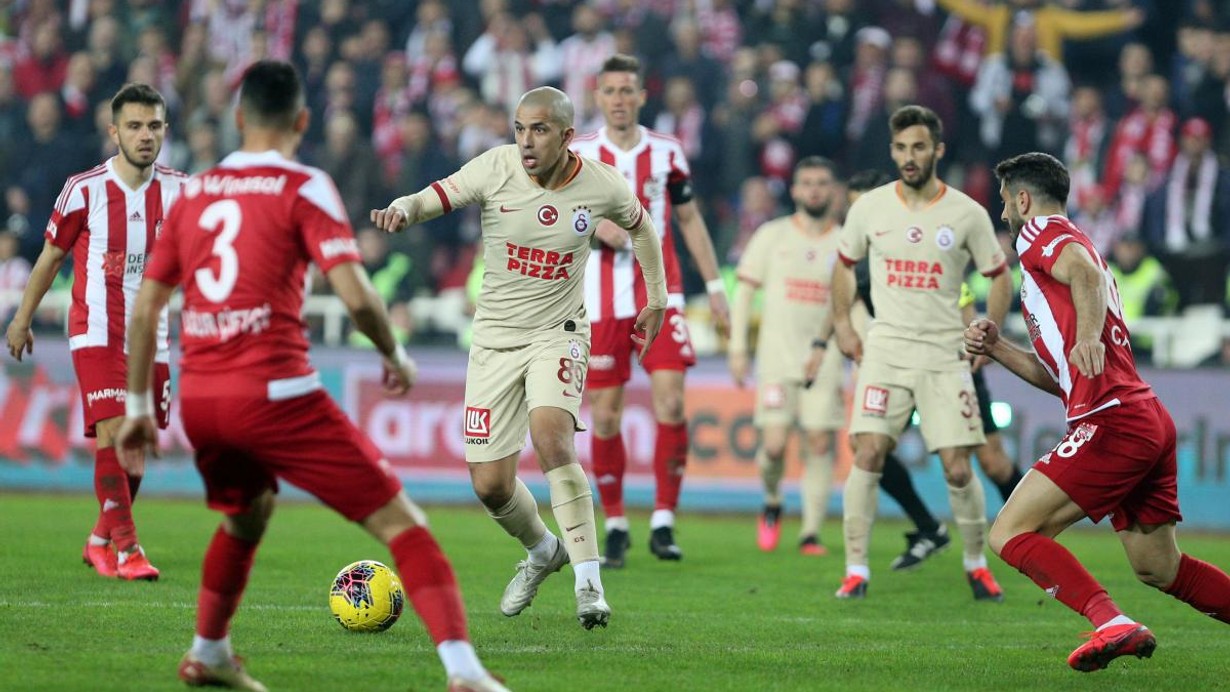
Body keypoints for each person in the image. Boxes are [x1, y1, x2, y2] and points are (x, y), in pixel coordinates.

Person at [115, 61, 506, 692]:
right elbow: (355, 296)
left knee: (248, 513)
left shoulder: (192, 191)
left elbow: (146, 308)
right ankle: (464, 672)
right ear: (302, 120)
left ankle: (208, 652)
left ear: (238, 119)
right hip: (275, 394)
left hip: (204, 399)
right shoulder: (304, 185)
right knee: (405, 526)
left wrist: (138, 404)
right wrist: (394, 354)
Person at [371, 85, 667, 629]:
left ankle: (589, 586)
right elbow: (435, 196)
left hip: (560, 332)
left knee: (552, 435)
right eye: (520, 129)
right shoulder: (495, 167)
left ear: (566, 135)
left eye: (539, 130)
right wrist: (401, 210)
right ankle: (541, 550)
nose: (526, 141)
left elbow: (642, 228)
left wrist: (657, 299)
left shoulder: (600, 184)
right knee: (490, 484)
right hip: (493, 341)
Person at [966, 151, 1230, 672]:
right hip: (1143, 415)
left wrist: (1087, 335)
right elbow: (1062, 375)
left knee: (1010, 533)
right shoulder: (1073, 248)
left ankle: (1110, 622)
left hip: (1111, 420)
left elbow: (1083, 275)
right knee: (1159, 566)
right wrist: (999, 348)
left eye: (1003, 203)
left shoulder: (1042, 235)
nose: (1002, 215)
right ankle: (1115, 620)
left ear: (1022, 199)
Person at [830, 105, 1013, 600]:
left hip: (943, 354)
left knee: (958, 465)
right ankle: (856, 570)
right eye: (900, 149)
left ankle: (976, 564)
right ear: (892, 151)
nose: (909, 158)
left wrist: (988, 332)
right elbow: (844, 267)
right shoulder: (869, 208)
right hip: (885, 351)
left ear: (937, 150)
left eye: (918, 147)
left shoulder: (967, 213)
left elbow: (999, 275)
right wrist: (844, 324)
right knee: (867, 452)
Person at [5, 83, 185, 582]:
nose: (145, 135)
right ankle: (129, 552)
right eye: (134, 126)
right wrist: (21, 318)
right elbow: (50, 258)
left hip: (154, 337)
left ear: (165, 130)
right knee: (115, 433)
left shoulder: (183, 190)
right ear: (114, 132)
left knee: (136, 461)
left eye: (153, 126)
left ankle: (99, 539)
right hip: (96, 329)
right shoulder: (83, 189)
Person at [569, 53, 730, 568]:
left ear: (642, 96)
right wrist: (596, 228)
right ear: (598, 97)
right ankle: (615, 523)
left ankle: (663, 520)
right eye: (610, 91)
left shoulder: (667, 152)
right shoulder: (579, 153)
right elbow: (556, 217)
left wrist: (716, 286)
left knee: (672, 405)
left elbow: (689, 221)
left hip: (661, 293)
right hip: (597, 298)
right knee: (607, 415)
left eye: (627, 90)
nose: (619, 99)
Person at [728, 156, 843, 556]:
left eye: (822, 183)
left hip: (823, 358)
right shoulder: (772, 235)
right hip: (776, 358)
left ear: (833, 191)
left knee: (819, 441)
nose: (814, 189)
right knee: (774, 445)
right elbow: (743, 292)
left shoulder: (845, 242)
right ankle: (773, 499)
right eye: (806, 182)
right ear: (794, 190)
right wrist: (738, 347)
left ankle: (810, 532)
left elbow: (853, 304)